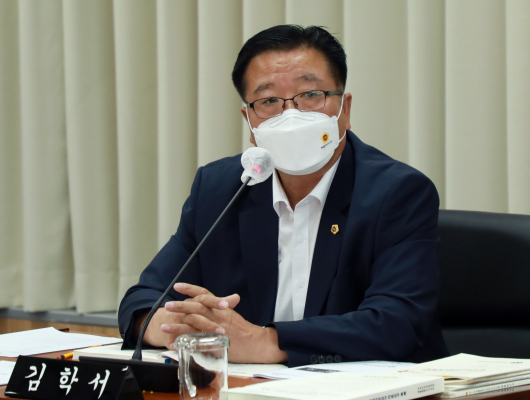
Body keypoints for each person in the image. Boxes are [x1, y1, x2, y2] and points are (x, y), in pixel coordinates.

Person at [118, 25, 449, 367]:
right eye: (269, 101)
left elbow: (397, 322)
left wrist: (264, 342)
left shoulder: (397, 192)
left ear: (344, 109)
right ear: (249, 121)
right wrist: (173, 328)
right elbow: (142, 300)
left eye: (311, 95)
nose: (291, 114)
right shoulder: (221, 189)